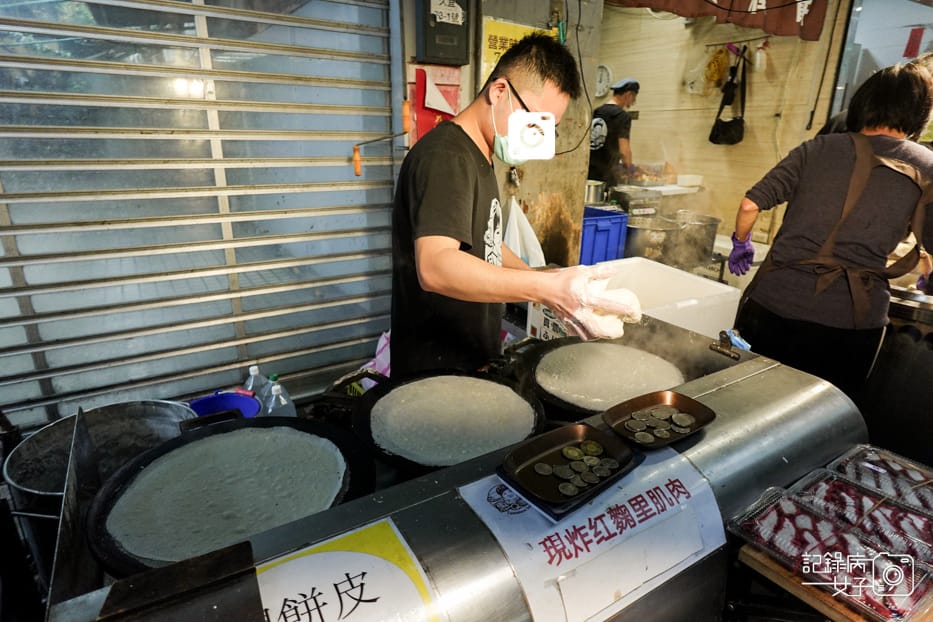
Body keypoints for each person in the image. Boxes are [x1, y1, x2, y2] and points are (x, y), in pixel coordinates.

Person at [390, 34, 639, 378]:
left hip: (467, 359)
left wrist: (542, 275)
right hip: (436, 371)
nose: (540, 137)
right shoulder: (446, 157)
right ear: (499, 92)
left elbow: (484, 240)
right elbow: (436, 266)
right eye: (536, 122)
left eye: (549, 128)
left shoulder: (479, 153)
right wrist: (547, 290)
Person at [727, 62, 933, 402]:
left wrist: (741, 243)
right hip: (850, 322)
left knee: (747, 403)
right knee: (820, 419)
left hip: (770, 306)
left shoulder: (816, 149)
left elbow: (751, 205)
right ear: (919, 113)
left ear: (863, 102)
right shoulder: (925, 166)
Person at [588, 78, 639, 186]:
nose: (634, 102)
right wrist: (631, 169)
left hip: (589, 172)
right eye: (634, 98)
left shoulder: (596, 111)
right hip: (607, 175)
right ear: (628, 94)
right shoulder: (622, 116)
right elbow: (624, 151)